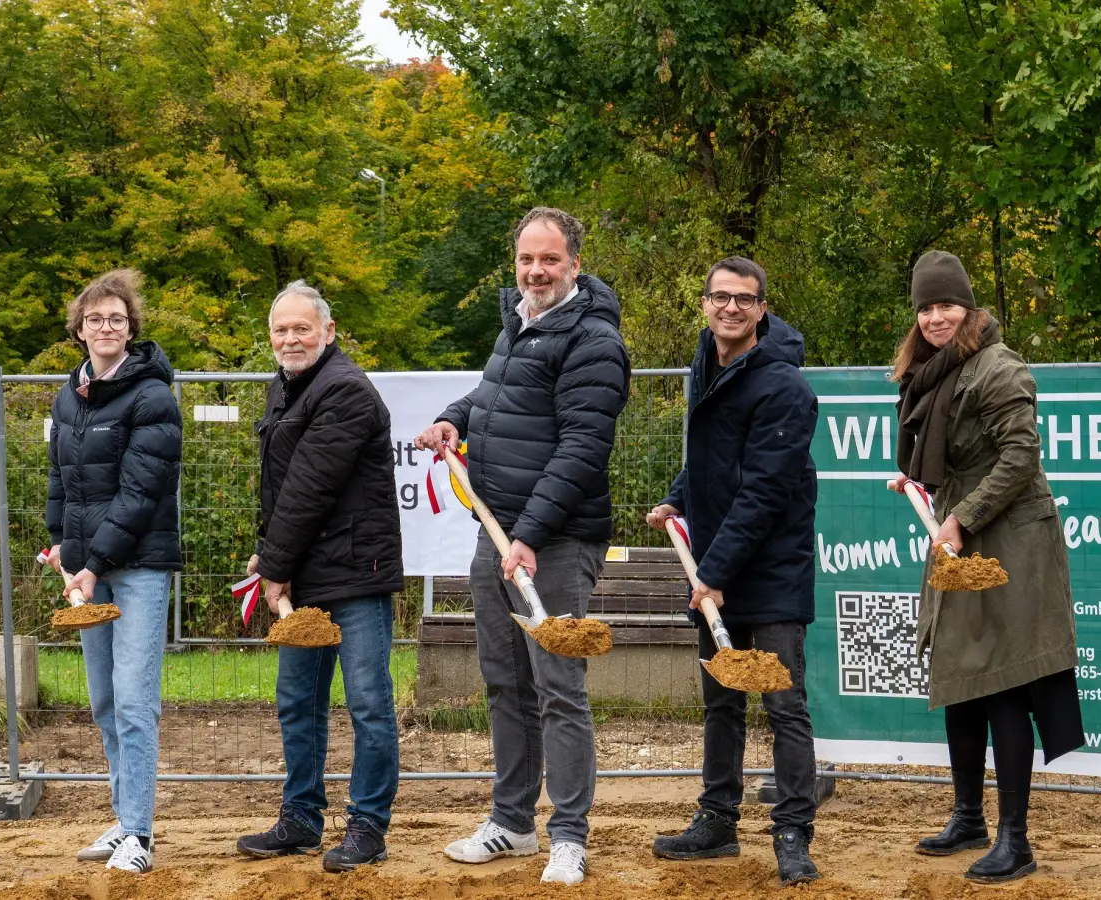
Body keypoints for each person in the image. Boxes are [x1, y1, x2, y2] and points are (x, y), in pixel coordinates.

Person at [414, 207, 629, 886]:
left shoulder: (593, 341)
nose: (535, 271)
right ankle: (512, 823)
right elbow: (496, 394)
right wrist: (453, 418)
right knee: (505, 684)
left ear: (574, 264)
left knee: (558, 688)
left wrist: (531, 536)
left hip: (555, 543)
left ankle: (569, 834)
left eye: (549, 260)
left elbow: (582, 449)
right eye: (525, 260)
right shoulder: (520, 324)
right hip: (496, 533)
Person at [888, 250, 1083, 885]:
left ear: (968, 308)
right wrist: (920, 488)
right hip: (962, 525)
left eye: (946, 304)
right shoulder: (933, 370)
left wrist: (961, 517)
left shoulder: (998, 366)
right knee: (958, 671)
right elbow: (949, 456)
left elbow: (1021, 455)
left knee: (1002, 679)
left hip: (1012, 537)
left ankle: (1015, 840)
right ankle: (968, 816)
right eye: (925, 307)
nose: (935, 316)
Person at [644, 257, 822, 885]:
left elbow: (765, 491)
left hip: (770, 571)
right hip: (718, 566)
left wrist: (713, 571)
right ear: (705, 303)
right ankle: (717, 821)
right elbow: (710, 459)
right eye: (720, 297)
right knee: (721, 701)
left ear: (762, 311)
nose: (730, 309)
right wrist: (678, 497)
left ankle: (793, 830)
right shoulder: (706, 368)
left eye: (743, 300)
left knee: (782, 704)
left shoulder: (785, 387)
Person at [234, 281, 403, 872]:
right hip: (303, 571)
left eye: (302, 328)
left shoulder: (346, 392)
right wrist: (268, 554)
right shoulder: (284, 388)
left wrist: (276, 567)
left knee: (367, 702)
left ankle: (368, 826)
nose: (290, 339)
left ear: (328, 332)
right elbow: (280, 491)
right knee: (297, 702)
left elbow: (312, 486)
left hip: (356, 573)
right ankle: (301, 819)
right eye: (280, 330)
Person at [45, 269, 182, 874]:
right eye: (96, 318)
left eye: (118, 319)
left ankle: (141, 836)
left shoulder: (153, 395)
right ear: (79, 329)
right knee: (103, 701)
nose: (106, 326)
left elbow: (142, 490)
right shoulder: (67, 396)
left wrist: (93, 563)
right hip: (88, 572)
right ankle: (124, 817)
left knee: (133, 700)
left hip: (138, 567)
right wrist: (63, 550)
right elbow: (61, 484)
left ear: (131, 330)